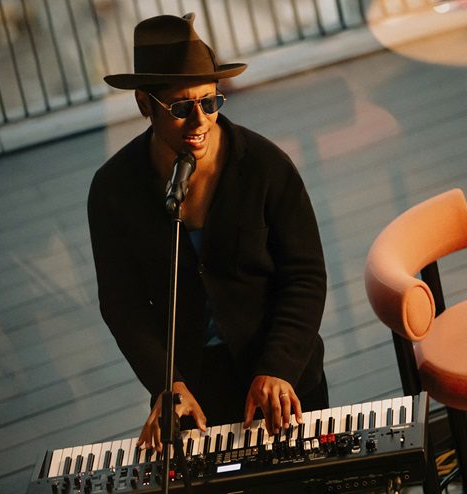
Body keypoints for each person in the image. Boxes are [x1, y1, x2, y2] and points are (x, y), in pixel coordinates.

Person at [87, 13, 328, 453]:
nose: (199, 121)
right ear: (144, 104)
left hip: (281, 371)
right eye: (180, 108)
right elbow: (122, 305)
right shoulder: (112, 190)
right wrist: (167, 382)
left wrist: (277, 366)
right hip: (193, 391)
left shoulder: (266, 166)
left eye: (210, 102)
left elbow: (306, 277)